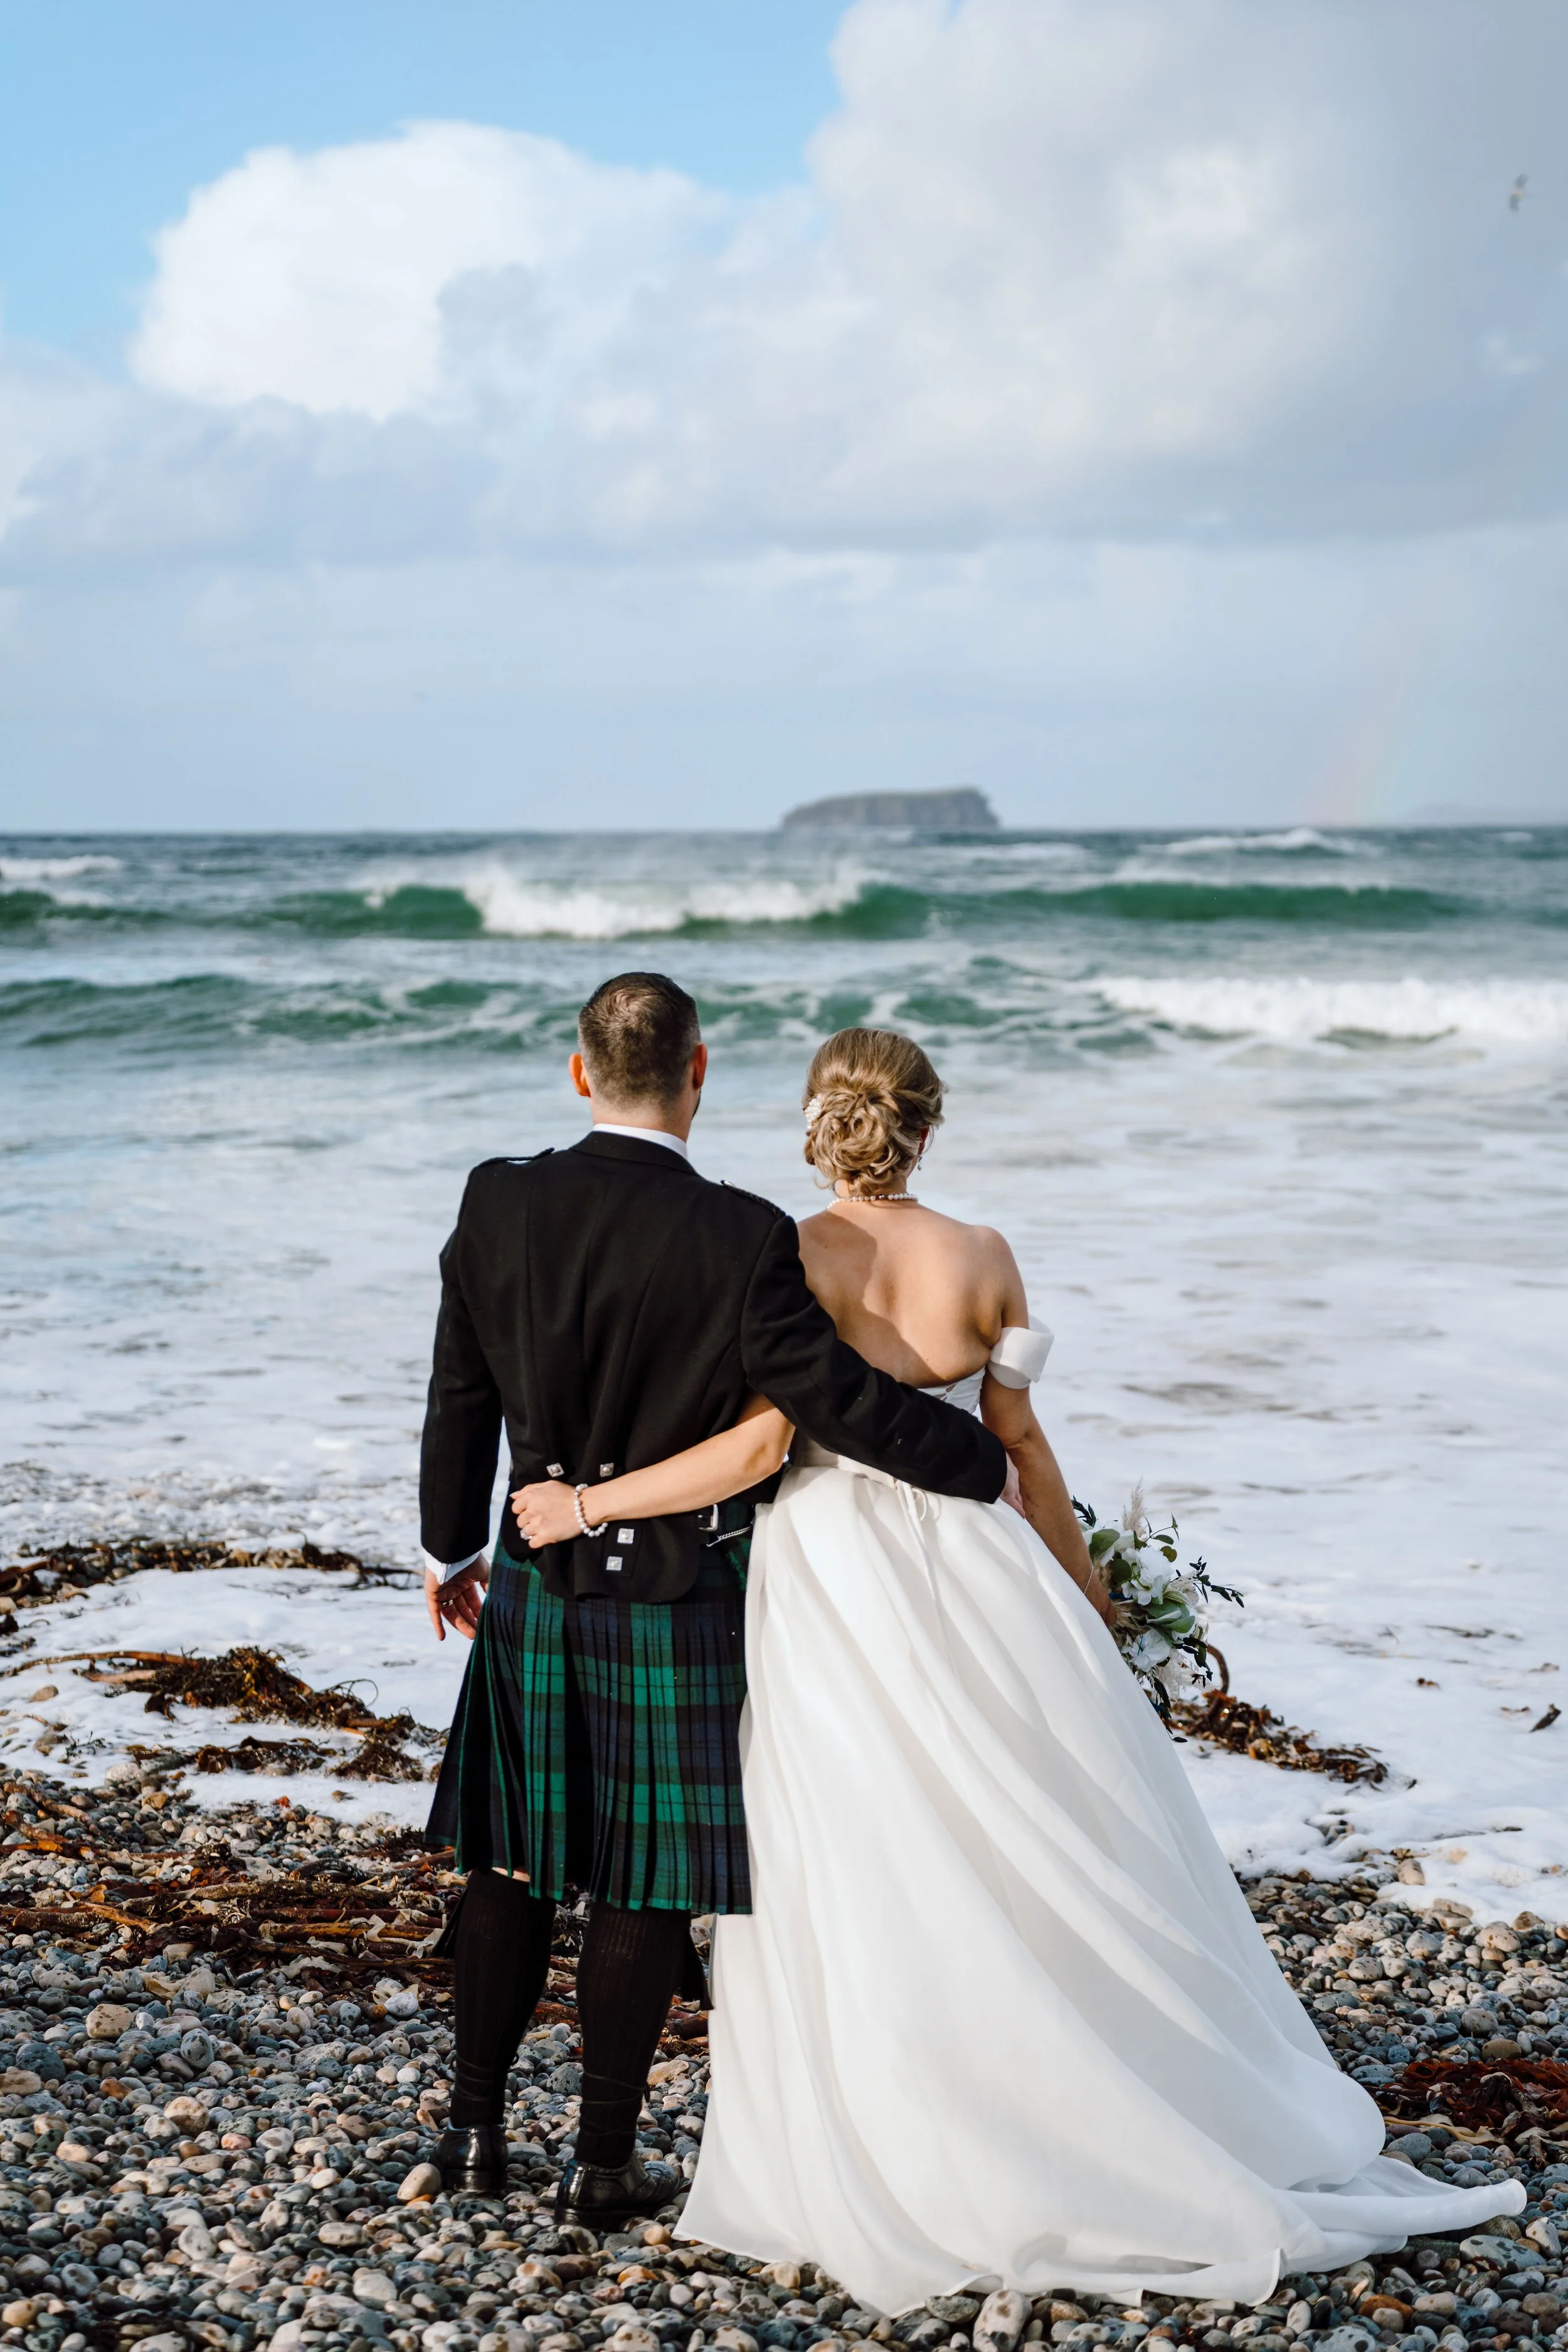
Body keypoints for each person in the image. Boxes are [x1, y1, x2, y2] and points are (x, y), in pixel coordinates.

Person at [512, 1027, 1523, 2310]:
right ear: (925, 1125)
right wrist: (1086, 1596)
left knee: (849, 1832)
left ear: (822, 1123)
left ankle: (895, 2115)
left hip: (827, 1575)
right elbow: (1018, 1443)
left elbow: (764, 1450)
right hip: (974, 1565)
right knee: (1030, 1816)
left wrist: (592, 1507)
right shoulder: (985, 1259)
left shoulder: (780, 1252)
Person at [418, 977, 1006, 2225]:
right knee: (637, 1876)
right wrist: (976, 1460)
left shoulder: (496, 1197)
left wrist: (443, 1550)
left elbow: (458, 1386)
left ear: (580, 1073)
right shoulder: (740, 1235)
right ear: (699, 1074)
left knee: (507, 1862)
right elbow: (831, 1403)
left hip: (531, 1569)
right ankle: (600, 2161)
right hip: (674, 1585)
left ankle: (473, 2134)